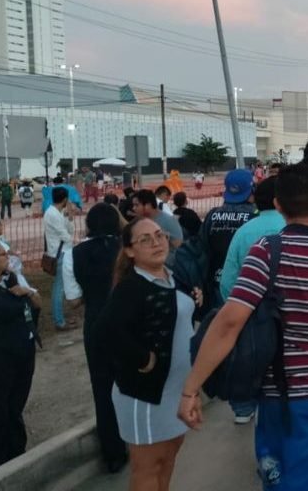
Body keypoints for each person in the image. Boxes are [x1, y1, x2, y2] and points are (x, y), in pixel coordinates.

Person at [179, 163, 308, 491]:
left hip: (286, 398)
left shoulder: (267, 251)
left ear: (277, 204)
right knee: (303, 475)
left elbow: (229, 321)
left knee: (290, 484)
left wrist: (191, 388)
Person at [96, 218, 202, 491]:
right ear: (130, 251)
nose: (156, 243)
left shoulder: (169, 275)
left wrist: (193, 297)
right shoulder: (132, 286)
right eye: (145, 239)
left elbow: (173, 313)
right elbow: (105, 331)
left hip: (176, 390)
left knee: (167, 460)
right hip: (146, 395)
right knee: (148, 468)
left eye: (160, 235)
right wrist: (143, 359)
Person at [61, 204, 128, 473]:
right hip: (131, 323)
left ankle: (113, 454)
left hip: (97, 326)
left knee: (103, 390)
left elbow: (74, 300)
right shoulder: (129, 247)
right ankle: (141, 442)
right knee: (137, 383)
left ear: (88, 224)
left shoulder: (73, 254)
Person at [218, 175, 286, 425]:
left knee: (248, 358)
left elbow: (228, 280)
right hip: (287, 314)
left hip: (250, 312)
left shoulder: (244, 231)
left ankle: (243, 408)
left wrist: (237, 307)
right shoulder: (292, 229)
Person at [0, 238, 40, 473]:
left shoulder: (12, 279)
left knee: (14, 407)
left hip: (22, 356)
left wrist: (27, 292)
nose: (8, 258)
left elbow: (36, 302)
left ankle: (16, 456)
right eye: (3, 255)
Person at [198, 169, 256, 312]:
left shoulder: (212, 215)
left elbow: (202, 247)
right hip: (247, 285)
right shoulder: (255, 216)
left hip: (216, 282)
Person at [44, 187, 75, 330]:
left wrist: (70, 217)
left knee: (60, 287)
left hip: (62, 251)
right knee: (59, 288)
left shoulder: (58, 212)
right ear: (65, 199)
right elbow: (66, 235)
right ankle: (59, 321)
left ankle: (61, 318)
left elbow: (69, 230)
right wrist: (75, 240)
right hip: (60, 253)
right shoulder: (53, 214)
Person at [132, 190, 183, 265]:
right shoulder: (141, 221)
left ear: (148, 205)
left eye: (136, 205)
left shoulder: (168, 221)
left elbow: (178, 246)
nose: (133, 208)